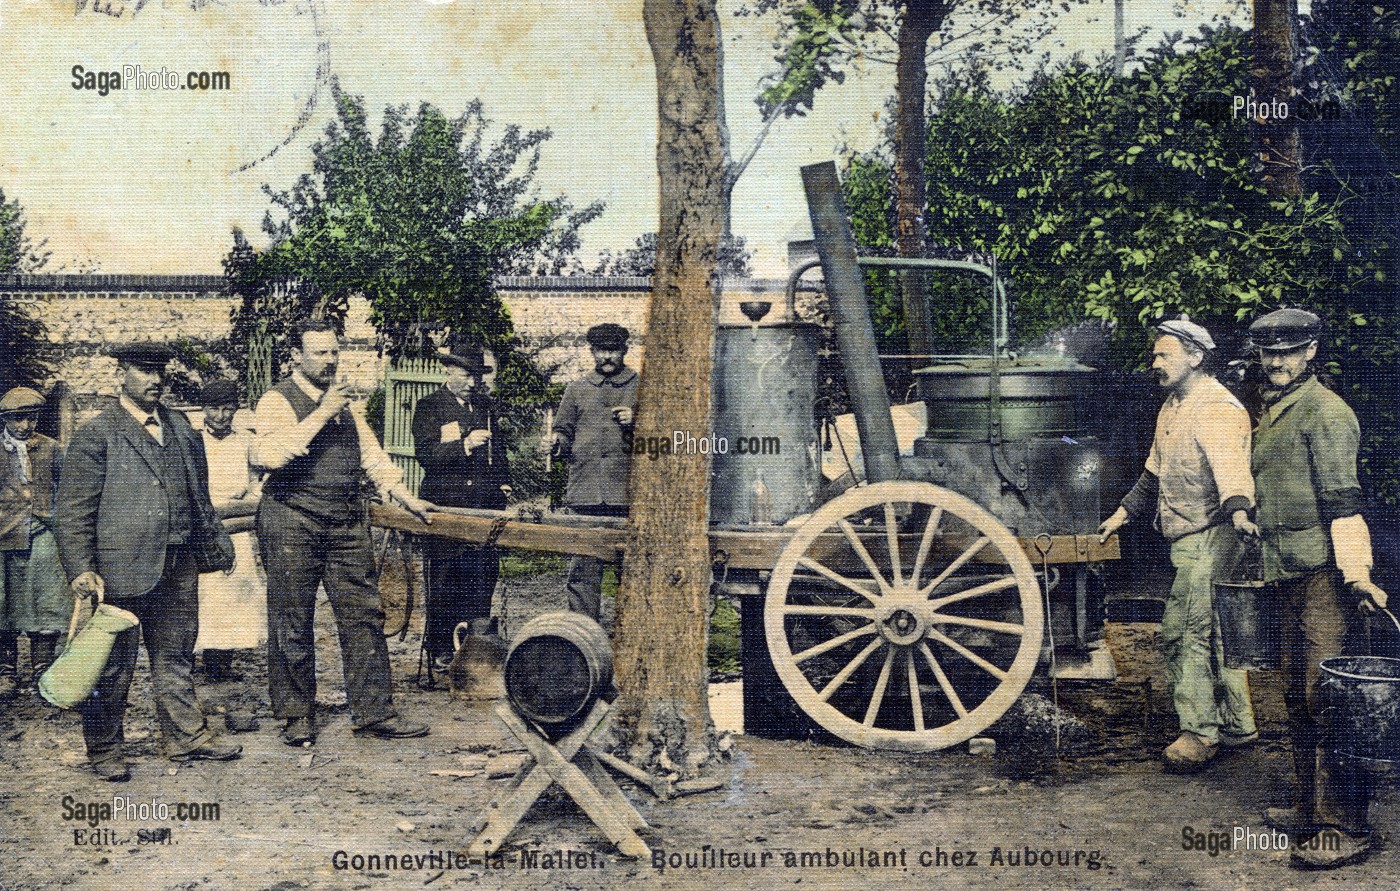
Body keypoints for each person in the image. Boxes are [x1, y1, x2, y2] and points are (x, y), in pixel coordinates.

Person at [55, 343, 242, 782]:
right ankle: (104, 748)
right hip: (119, 571)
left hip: (177, 565)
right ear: (121, 374)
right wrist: (81, 568)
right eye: (144, 371)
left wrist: (216, 543)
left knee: (175, 653)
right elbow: (74, 511)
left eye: (160, 371)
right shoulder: (97, 434)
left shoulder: (180, 428)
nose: (155, 379)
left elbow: (199, 496)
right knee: (112, 662)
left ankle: (185, 736)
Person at [1244, 308, 1387, 869]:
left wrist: (1358, 575)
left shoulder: (1327, 412)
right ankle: (1309, 807)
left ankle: (1346, 825)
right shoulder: (1275, 410)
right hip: (1282, 572)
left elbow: (1344, 503)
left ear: (1310, 353)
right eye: (1269, 353)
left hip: (1325, 577)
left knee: (1330, 699)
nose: (1276, 362)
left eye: (1289, 352)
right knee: (1295, 695)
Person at [250, 319, 434, 746]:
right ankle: (296, 714)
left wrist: (403, 495)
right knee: (292, 617)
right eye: (320, 353)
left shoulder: (344, 404)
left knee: (363, 613)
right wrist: (324, 410)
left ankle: (373, 711)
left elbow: (371, 453)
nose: (330, 360)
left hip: (346, 521)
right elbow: (273, 455)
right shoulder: (276, 401)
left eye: (334, 352)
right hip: (292, 518)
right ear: (295, 356)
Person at [1098, 318, 1258, 771]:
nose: (1156, 363)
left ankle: (1200, 734)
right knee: (1215, 635)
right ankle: (1237, 725)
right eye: (1155, 355)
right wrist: (1122, 514)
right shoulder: (1173, 405)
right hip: (1188, 539)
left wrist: (1241, 514)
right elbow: (1153, 472)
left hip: (1213, 534)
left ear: (1196, 356)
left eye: (1164, 355)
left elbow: (1232, 475)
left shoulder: (1217, 408)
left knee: (1183, 633)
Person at [412, 346, 511, 670]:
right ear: (448, 372)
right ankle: (441, 647)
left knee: (481, 578)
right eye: (467, 374)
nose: (472, 382)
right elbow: (427, 456)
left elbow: (500, 452)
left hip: (483, 508)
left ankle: (473, 648)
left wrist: (503, 482)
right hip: (445, 508)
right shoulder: (429, 407)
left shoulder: (484, 407)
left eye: (477, 376)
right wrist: (465, 445)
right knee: (445, 581)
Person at [546, 323, 638, 620]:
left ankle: (632, 634)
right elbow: (563, 431)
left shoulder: (642, 387)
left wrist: (637, 422)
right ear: (592, 352)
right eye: (601, 350)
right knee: (583, 573)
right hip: (585, 493)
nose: (607, 357)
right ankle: (584, 635)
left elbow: (661, 440)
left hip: (626, 496)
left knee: (632, 572)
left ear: (624, 351)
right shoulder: (577, 389)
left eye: (613, 350)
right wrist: (556, 444)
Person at [193, 379, 264, 682]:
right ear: (203, 410)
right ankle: (202, 658)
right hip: (203, 526)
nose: (221, 416)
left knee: (236, 595)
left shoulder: (247, 440)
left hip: (237, 526)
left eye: (227, 409)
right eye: (214, 409)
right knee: (204, 595)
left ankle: (223, 663)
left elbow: (258, 482)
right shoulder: (194, 441)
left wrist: (248, 501)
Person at [0, 387, 67, 696]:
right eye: (17, 420)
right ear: (5, 419)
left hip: (43, 533)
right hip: (3, 536)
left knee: (48, 600)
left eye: (30, 419)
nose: (24, 426)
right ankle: (7, 670)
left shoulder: (52, 448)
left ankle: (43, 667)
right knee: (4, 603)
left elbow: (67, 489)